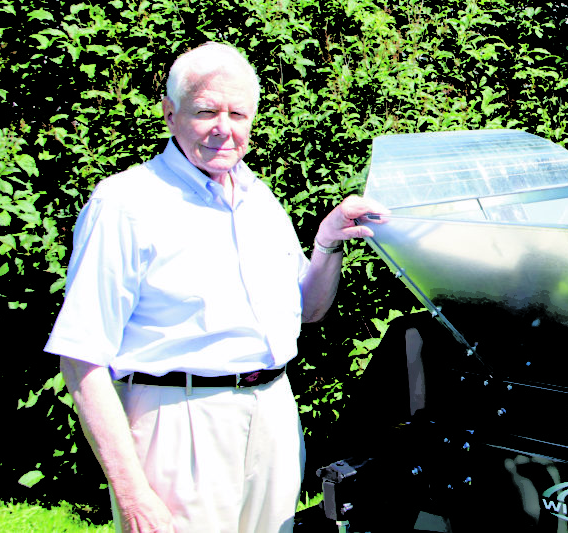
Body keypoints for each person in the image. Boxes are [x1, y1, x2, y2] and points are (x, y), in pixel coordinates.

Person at [44, 42, 388, 533]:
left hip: (272, 411)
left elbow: (307, 311)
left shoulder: (258, 198)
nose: (223, 128)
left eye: (237, 113)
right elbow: (81, 358)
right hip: (178, 425)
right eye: (206, 111)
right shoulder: (126, 202)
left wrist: (328, 243)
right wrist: (133, 493)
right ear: (169, 114)